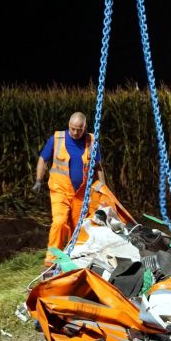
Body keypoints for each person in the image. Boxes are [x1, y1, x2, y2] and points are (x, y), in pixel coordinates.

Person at [32, 112, 105, 266]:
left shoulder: (91, 142)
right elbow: (42, 159)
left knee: (79, 227)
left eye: (79, 129)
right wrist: (38, 180)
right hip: (60, 190)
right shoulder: (57, 139)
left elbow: (98, 166)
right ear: (69, 125)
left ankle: (75, 258)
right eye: (72, 129)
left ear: (84, 127)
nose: (75, 132)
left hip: (80, 194)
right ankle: (51, 260)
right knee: (59, 222)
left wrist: (102, 185)